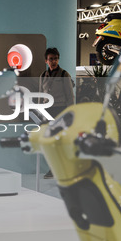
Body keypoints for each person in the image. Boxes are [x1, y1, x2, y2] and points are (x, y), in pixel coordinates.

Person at [39, 47, 74, 178]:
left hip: (61, 110)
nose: (53, 61)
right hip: (47, 111)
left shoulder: (65, 75)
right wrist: (41, 113)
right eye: (51, 59)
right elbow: (40, 95)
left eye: (55, 59)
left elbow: (70, 96)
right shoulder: (43, 75)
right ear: (46, 61)